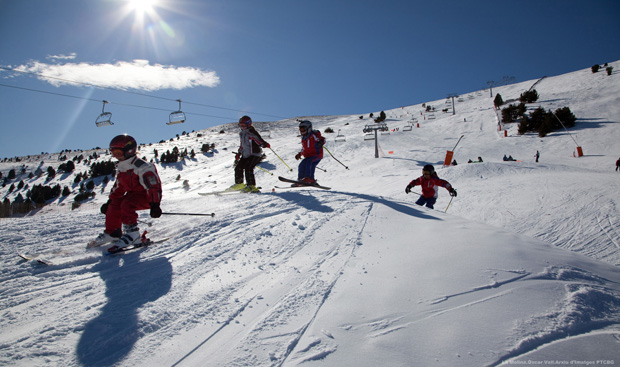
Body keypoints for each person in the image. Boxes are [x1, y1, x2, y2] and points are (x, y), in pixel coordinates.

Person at [88, 134, 162, 252]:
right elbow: (118, 187)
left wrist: (155, 204)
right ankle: (113, 232)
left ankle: (133, 235)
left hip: (148, 197)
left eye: (118, 153)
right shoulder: (122, 168)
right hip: (133, 196)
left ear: (129, 150)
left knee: (126, 203)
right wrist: (110, 201)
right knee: (115, 204)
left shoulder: (142, 166)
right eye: (114, 153)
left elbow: (152, 186)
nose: (116, 156)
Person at [229, 115, 270, 193]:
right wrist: (239, 153)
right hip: (246, 154)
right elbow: (242, 145)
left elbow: (258, 139)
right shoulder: (241, 133)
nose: (242, 127)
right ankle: (239, 184)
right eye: (240, 125)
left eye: (243, 125)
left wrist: (264, 144)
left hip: (254, 154)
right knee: (238, 168)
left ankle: (251, 186)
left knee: (248, 168)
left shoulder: (251, 132)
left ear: (248, 124)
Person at [294, 120, 326, 186]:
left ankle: (309, 179)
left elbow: (323, 139)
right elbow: (304, 148)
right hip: (308, 156)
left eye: (304, 130)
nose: (302, 132)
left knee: (309, 162)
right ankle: (301, 180)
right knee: (302, 165)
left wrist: (321, 142)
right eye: (301, 130)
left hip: (316, 154)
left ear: (309, 129)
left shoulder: (314, 135)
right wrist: (300, 154)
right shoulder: (303, 139)